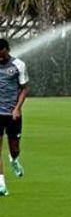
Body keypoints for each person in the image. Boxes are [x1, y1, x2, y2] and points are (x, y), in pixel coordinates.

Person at [0, 39, 28, 197]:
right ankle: (1, 184)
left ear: (7, 50)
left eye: (2, 54)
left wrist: (17, 108)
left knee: (14, 147)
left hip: (13, 114)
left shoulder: (19, 65)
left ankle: (14, 160)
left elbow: (24, 88)